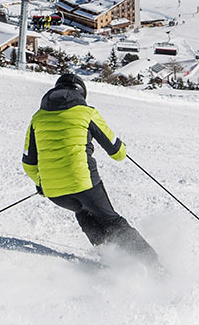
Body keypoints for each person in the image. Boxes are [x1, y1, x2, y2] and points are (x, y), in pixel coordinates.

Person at [21, 72, 158, 265]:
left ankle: (111, 259)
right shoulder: (86, 113)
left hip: (55, 192)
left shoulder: (37, 118)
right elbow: (117, 152)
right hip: (84, 182)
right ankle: (154, 266)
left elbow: (28, 163)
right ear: (81, 93)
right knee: (112, 221)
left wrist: (41, 184)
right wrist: (121, 148)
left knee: (83, 212)